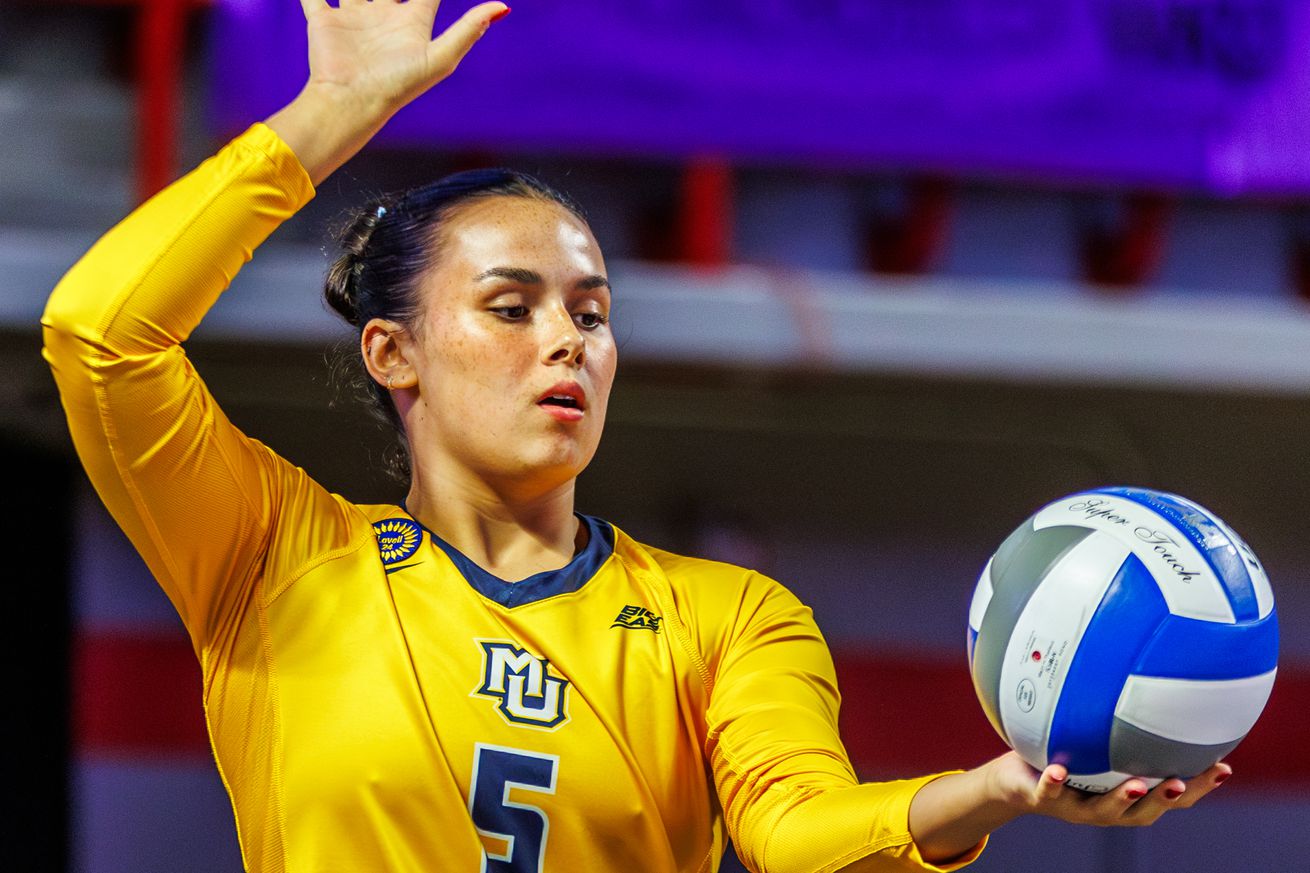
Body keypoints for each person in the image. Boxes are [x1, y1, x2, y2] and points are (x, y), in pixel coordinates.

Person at [42, 1, 1231, 871]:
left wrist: (986, 793)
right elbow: (99, 335)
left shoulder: (728, 620)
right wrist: (324, 118)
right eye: (510, 308)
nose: (566, 340)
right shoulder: (274, 558)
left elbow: (794, 834)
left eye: (591, 313)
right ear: (392, 354)